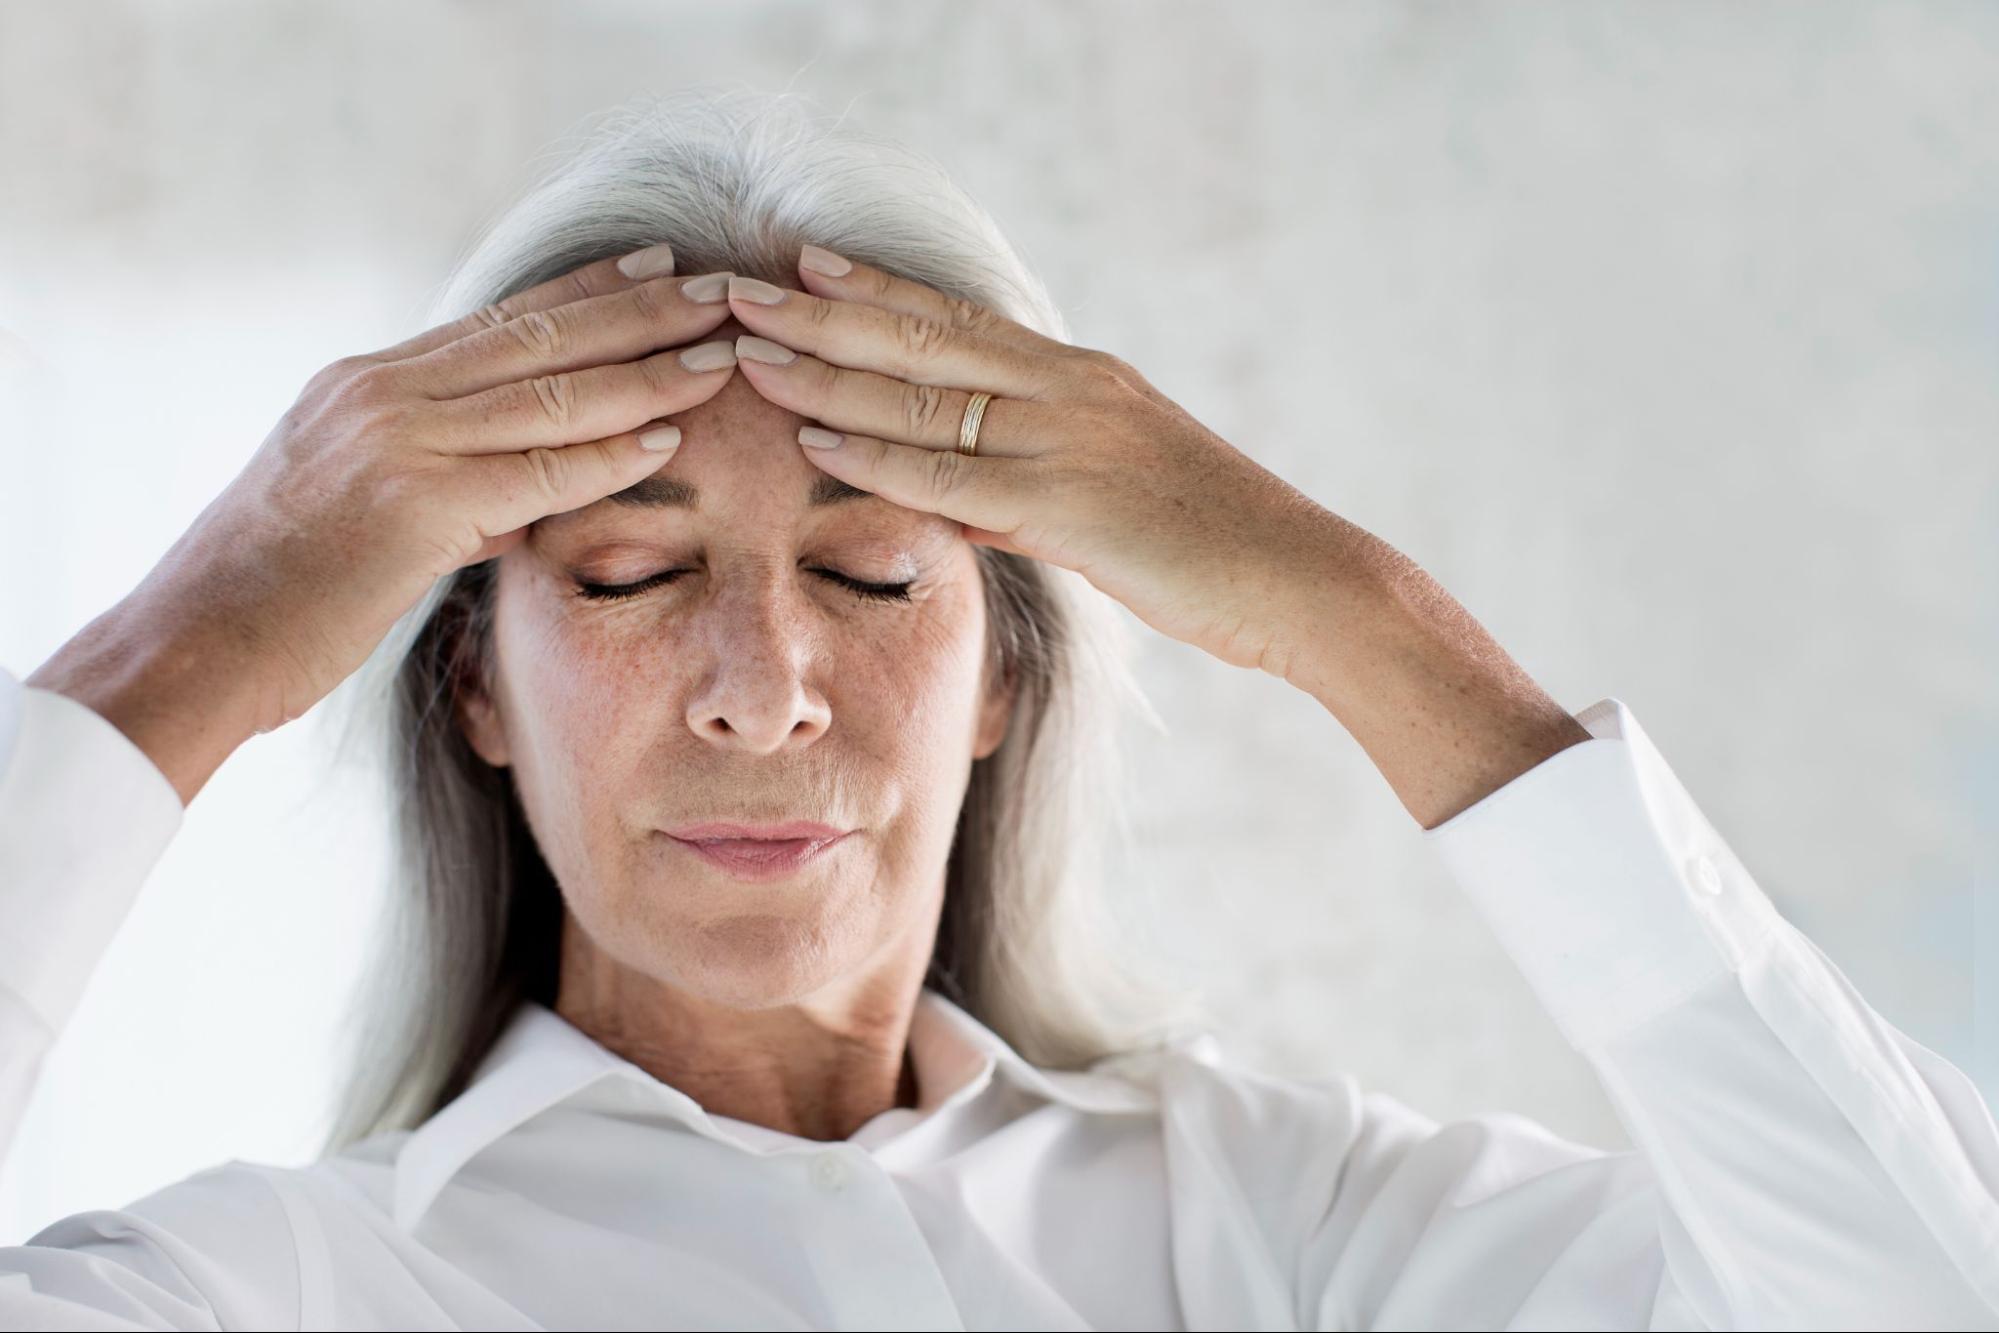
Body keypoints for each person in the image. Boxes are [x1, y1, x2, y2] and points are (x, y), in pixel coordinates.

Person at [3, 90, 1996, 1331]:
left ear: (1002, 675)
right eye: (622, 573)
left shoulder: (1291, 1229)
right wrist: (186, 643)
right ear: (474, 689)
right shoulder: (289, 1294)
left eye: (875, 573)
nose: (761, 688)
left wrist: (1356, 615)